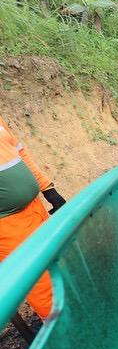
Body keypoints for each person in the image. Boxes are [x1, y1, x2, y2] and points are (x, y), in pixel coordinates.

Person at [0, 114, 66, 319]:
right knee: (43, 285)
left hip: (35, 208)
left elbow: (20, 152)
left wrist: (48, 189)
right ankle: (68, 338)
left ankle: (85, 322)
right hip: (8, 224)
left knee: (60, 265)